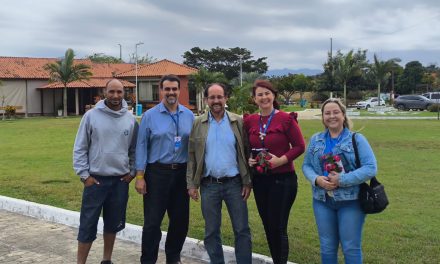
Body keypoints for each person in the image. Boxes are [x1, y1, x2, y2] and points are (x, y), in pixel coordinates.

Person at [302, 98, 377, 264]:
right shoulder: (316, 140)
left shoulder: (356, 139)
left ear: (343, 115)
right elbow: (306, 165)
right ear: (322, 117)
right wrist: (316, 179)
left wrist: (342, 179)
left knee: (350, 247)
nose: (331, 116)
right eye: (327, 113)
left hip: (350, 201)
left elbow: (370, 167)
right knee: (327, 246)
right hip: (322, 200)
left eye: (336, 112)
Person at [73, 78, 138, 264]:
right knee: (87, 224)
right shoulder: (91, 116)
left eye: (119, 92)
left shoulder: (130, 119)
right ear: (105, 92)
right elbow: (80, 147)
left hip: (119, 182)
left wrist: (132, 172)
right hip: (96, 181)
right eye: (112, 92)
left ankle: (106, 260)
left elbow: (134, 150)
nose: (116, 96)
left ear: (124, 93)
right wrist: (84, 176)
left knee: (113, 224)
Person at [187, 83, 252, 264]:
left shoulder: (237, 122)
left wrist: (247, 182)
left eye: (219, 97)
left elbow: (245, 152)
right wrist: (191, 184)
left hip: (235, 185)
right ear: (207, 100)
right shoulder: (198, 123)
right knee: (211, 231)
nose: (216, 101)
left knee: (241, 230)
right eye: (212, 97)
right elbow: (192, 155)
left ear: (226, 99)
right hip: (209, 185)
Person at [244, 80, 305, 264]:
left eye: (267, 93)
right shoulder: (250, 121)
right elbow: (246, 146)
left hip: (283, 180)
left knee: (278, 226)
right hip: (260, 181)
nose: (264, 97)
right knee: (268, 226)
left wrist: (281, 160)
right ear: (254, 99)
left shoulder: (286, 119)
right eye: (259, 95)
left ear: (274, 96)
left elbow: (300, 146)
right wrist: (249, 159)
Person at [135, 74, 194, 264]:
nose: (171, 92)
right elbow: (142, 146)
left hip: (181, 174)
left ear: (179, 90)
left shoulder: (189, 115)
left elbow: (193, 147)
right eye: (167, 89)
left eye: (174, 89)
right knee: (152, 222)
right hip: (156, 174)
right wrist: (140, 176)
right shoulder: (149, 116)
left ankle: (173, 257)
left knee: (180, 221)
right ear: (161, 90)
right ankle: (148, 260)